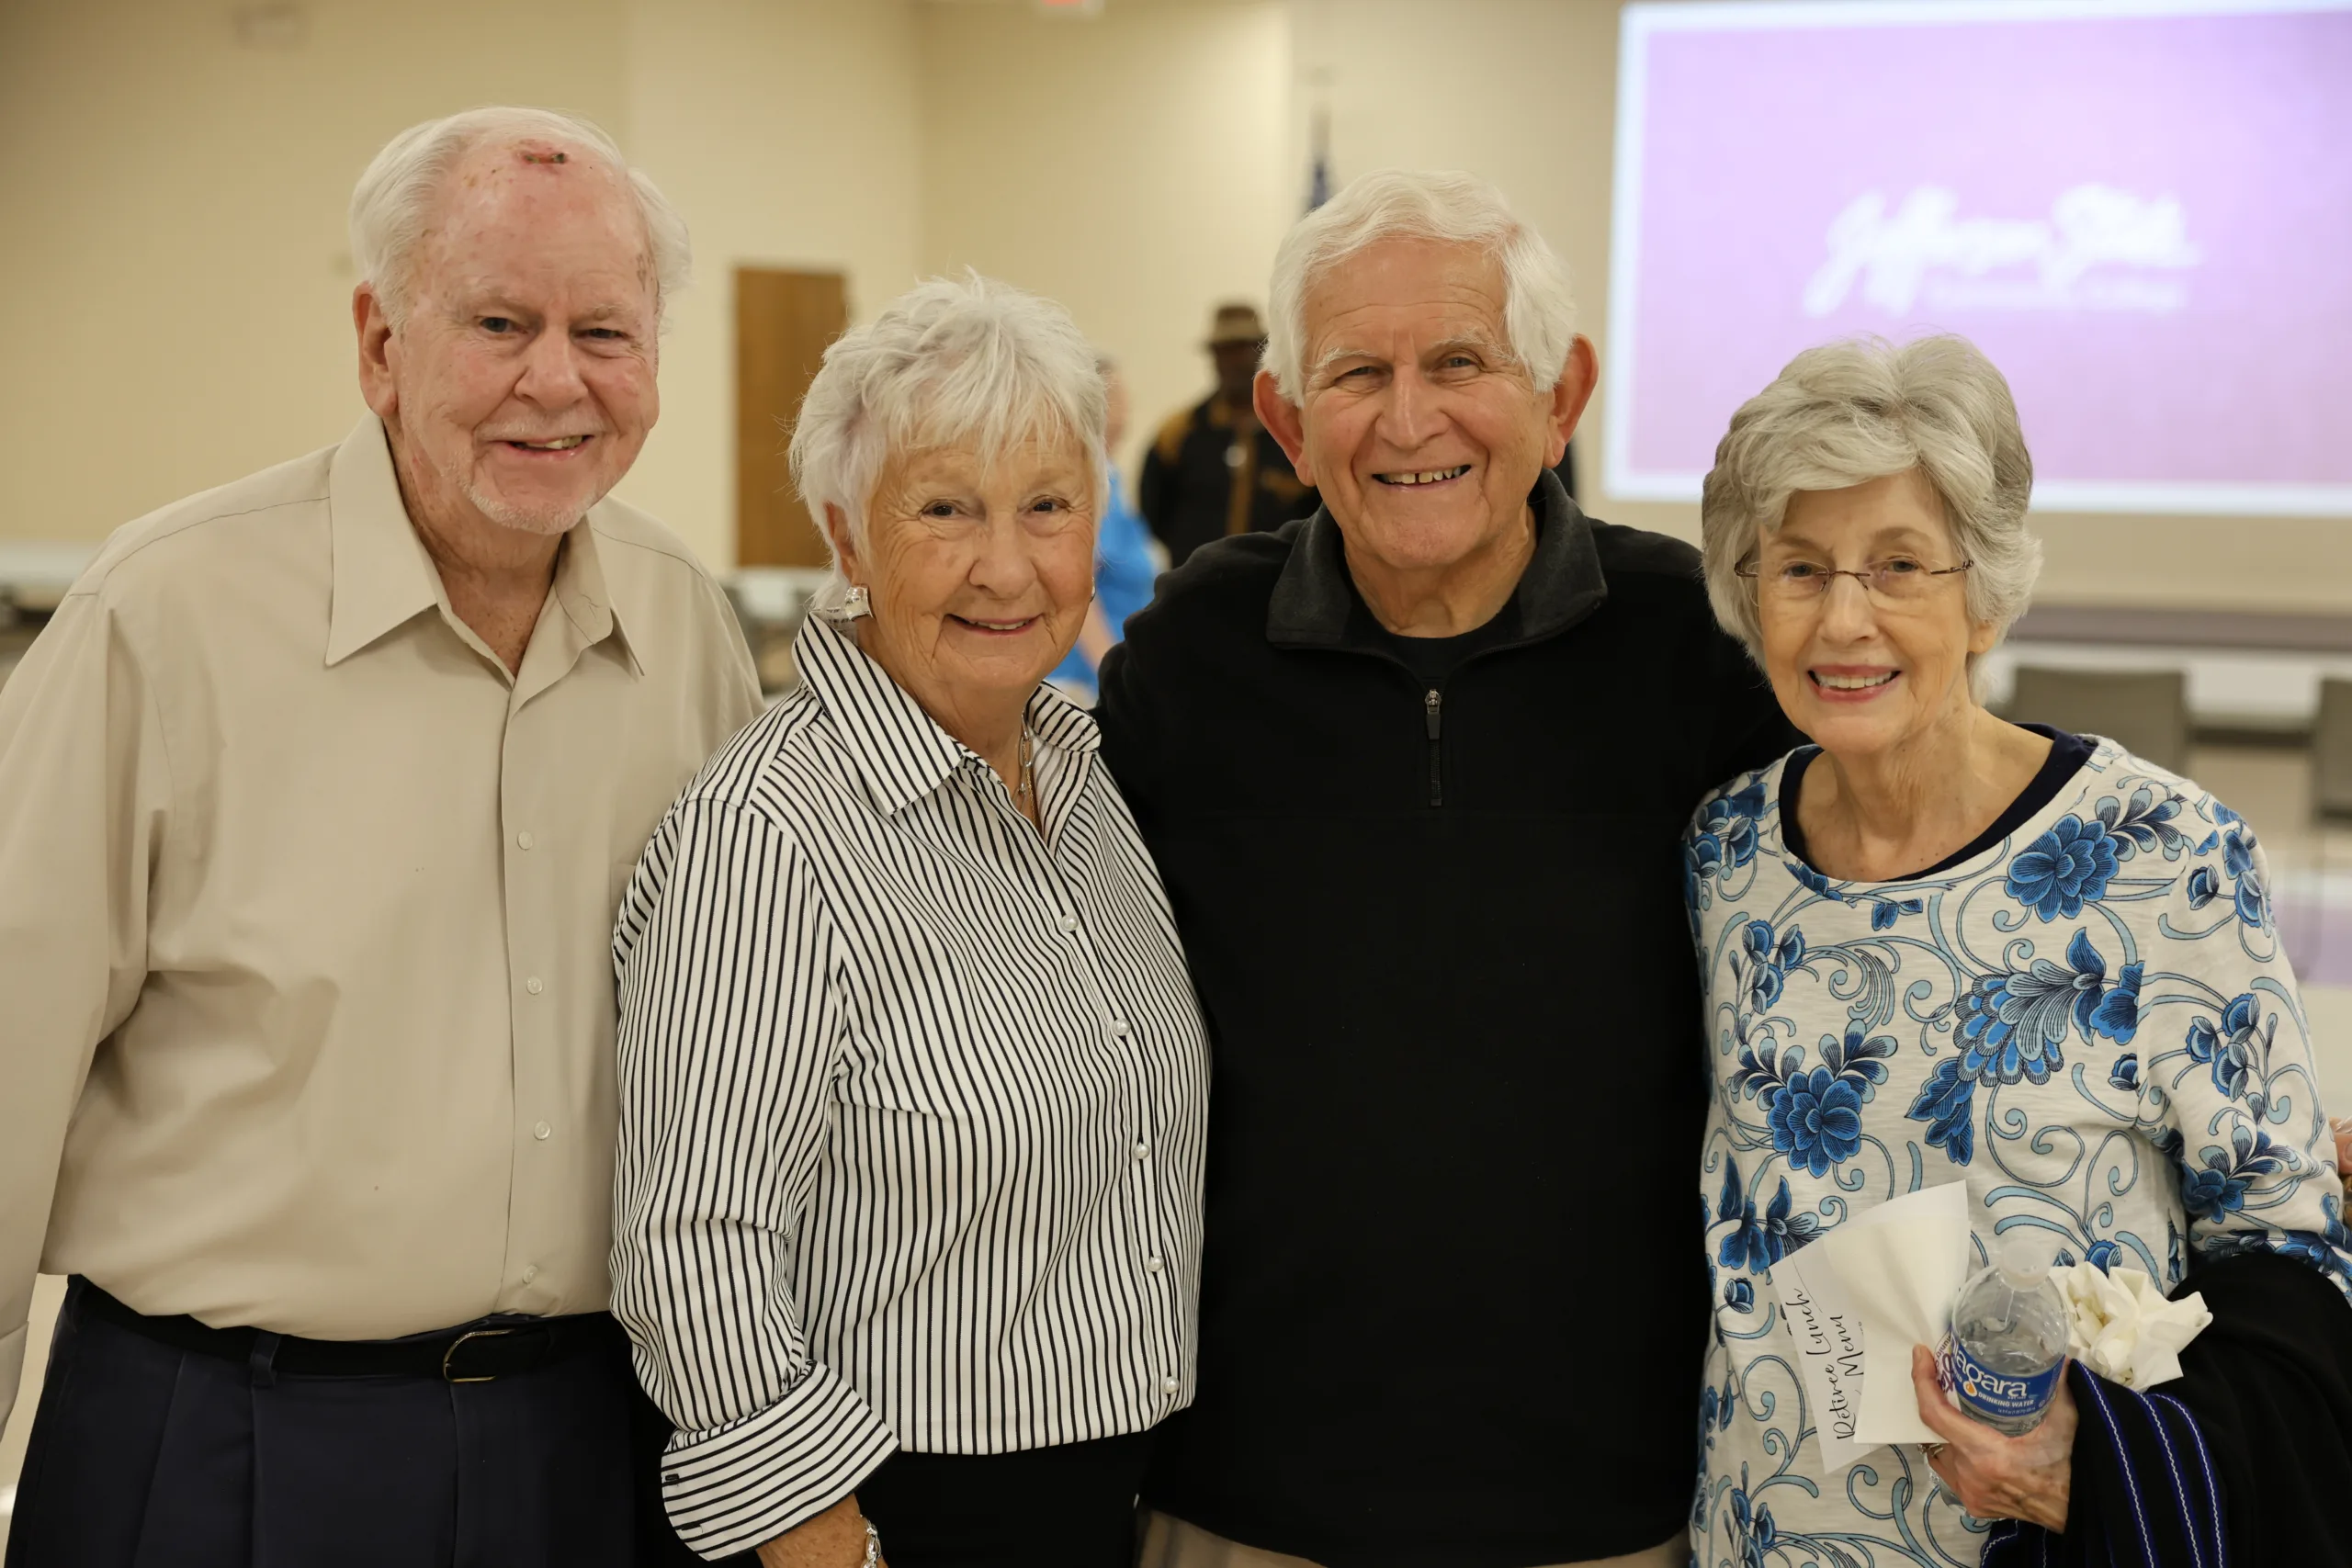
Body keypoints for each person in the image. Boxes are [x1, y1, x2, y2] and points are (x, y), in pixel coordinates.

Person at [0, 107, 763, 1565]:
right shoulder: (163, 615)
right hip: (223, 1441)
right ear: (379, 342)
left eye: (606, 331)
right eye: (499, 322)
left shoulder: (683, 623)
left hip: (594, 1444)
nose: (557, 380)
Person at [1099, 170, 1796, 1568]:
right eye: (1358, 373)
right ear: (1288, 422)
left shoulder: (1701, 652)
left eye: (1462, 362)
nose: (1409, 419)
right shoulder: (1192, 656)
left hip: (1610, 1503)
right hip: (1244, 1493)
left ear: (1562, 395)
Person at [1684, 334, 2352, 1565]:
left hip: (2044, 1538)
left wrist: (2092, 1467)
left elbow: (2287, 1242)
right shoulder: (1726, 853)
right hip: (1759, 1534)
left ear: (1984, 593)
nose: (1844, 618)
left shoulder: (2163, 852)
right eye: (1800, 568)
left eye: (1898, 566)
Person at [609, 274, 1210, 1568]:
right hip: (883, 1516)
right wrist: (826, 1541)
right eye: (944, 508)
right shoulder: (768, 834)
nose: (1008, 566)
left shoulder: (1090, 778)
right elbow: (692, 1241)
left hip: (1100, 1499)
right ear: (847, 535)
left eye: (1047, 505)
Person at [1137, 303, 1316, 566]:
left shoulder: (1296, 430)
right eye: (1226, 351)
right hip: (1196, 583)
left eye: (1245, 348)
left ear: (1263, 353)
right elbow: (1153, 509)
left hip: (1283, 583)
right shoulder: (1177, 434)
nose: (1236, 361)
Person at [1048, 353, 1159, 700]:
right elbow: (1078, 587)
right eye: (1118, 400)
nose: (1126, 413)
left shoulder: (1111, 477)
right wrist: (1114, 675)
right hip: (1085, 683)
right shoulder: (1090, 481)